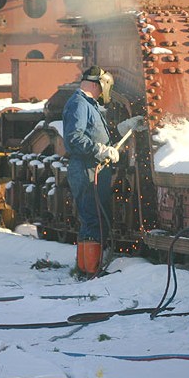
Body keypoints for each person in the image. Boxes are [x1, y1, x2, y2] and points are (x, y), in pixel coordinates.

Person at [62, 66, 119, 276]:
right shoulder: (79, 104)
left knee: (93, 217)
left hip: (91, 167)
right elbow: (74, 138)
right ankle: (90, 270)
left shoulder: (87, 104)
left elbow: (95, 134)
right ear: (98, 85)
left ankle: (87, 267)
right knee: (92, 218)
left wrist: (122, 130)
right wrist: (99, 150)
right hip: (86, 169)